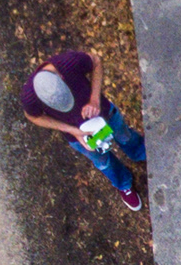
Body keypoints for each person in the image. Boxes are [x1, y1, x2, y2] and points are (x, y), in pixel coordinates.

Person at [21, 50, 145, 212]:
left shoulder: (69, 62)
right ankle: (124, 183)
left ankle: (140, 151)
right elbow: (33, 116)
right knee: (102, 161)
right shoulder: (30, 96)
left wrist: (94, 99)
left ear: (61, 77)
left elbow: (96, 61)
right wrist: (73, 131)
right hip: (79, 136)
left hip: (105, 114)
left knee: (124, 136)